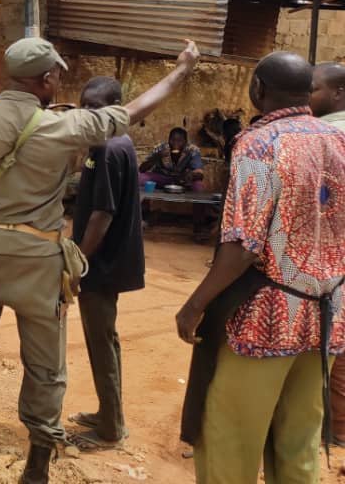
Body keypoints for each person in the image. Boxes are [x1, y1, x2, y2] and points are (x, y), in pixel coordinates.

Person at [0, 36, 199, 484]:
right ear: (48, 78)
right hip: (39, 263)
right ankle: (36, 469)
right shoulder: (64, 126)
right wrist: (182, 70)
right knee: (46, 367)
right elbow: (133, 112)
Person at [176, 52, 345, 484]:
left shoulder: (259, 143)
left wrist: (194, 305)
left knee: (229, 438)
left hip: (264, 317)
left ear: (258, 89)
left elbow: (242, 247)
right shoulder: (338, 139)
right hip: (327, 313)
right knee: (299, 441)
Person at [68, 77, 144, 451]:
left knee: (101, 342)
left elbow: (103, 213)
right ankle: (108, 412)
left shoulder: (109, 148)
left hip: (101, 264)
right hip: (104, 262)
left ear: (116, 107)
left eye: (95, 107)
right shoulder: (110, 143)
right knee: (105, 340)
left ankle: (111, 428)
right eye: (83, 106)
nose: (87, 113)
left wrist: (79, 260)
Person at [309, 61, 345, 446]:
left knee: (329, 342)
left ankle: (331, 428)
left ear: (337, 93)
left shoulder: (323, 137)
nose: (306, 96)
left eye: (313, 88)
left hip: (327, 259)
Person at [140, 127, 213, 239]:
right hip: (163, 178)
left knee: (199, 187)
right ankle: (144, 215)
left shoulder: (192, 150)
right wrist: (155, 157)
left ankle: (199, 224)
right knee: (140, 178)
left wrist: (190, 176)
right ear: (168, 140)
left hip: (183, 180)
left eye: (179, 141)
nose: (175, 144)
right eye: (172, 140)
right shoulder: (160, 149)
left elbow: (200, 174)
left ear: (185, 141)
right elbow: (142, 169)